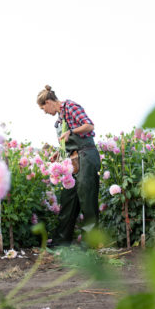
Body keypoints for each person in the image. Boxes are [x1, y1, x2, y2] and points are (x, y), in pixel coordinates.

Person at [36, 85, 101, 245]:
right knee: (68, 200)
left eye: (44, 108)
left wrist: (71, 132)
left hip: (86, 156)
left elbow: (89, 125)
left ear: (50, 101)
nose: (45, 112)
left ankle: (90, 244)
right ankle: (61, 240)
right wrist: (58, 153)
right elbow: (68, 142)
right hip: (72, 160)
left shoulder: (71, 107)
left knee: (87, 200)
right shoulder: (60, 119)